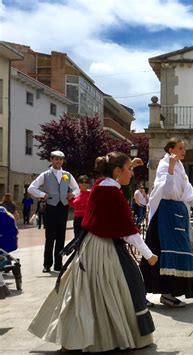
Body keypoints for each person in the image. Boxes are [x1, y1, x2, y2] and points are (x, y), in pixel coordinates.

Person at [28, 152, 158, 352]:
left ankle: (77, 337)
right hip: (104, 247)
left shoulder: (101, 184)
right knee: (110, 290)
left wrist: (128, 163)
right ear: (117, 171)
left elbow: (113, 179)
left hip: (91, 245)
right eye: (129, 170)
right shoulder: (112, 193)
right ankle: (101, 338)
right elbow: (129, 230)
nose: (132, 174)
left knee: (85, 293)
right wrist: (149, 255)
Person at [140, 138, 193, 308]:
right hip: (164, 216)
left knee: (177, 251)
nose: (183, 151)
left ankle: (168, 293)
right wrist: (170, 168)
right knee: (158, 251)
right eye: (180, 148)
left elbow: (187, 193)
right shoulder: (165, 166)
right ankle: (142, 295)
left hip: (177, 214)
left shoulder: (180, 167)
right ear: (171, 149)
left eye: (183, 147)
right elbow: (168, 191)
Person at [27, 151, 80, 272]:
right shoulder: (45, 175)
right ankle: (47, 264)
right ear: (51, 160)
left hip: (63, 207)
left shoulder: (67, 175)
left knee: (61, 237)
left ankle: (58, 265)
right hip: (51, 207)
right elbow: (31, 188)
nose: (59, 161)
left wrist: (73, 194)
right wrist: (42, 194)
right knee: (50, 237)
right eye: (56, 159)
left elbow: (77, 189)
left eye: (61, 159)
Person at [68, 175, 91, 240]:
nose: (84, 184)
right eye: (81, 182)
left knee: (87, 238)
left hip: (88, 218)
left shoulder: (91, 193)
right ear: (78, 183)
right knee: (77, 239)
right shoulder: (74, 194)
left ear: (88, 184)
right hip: (77, 219)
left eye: (86, 182)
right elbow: (71, 203)